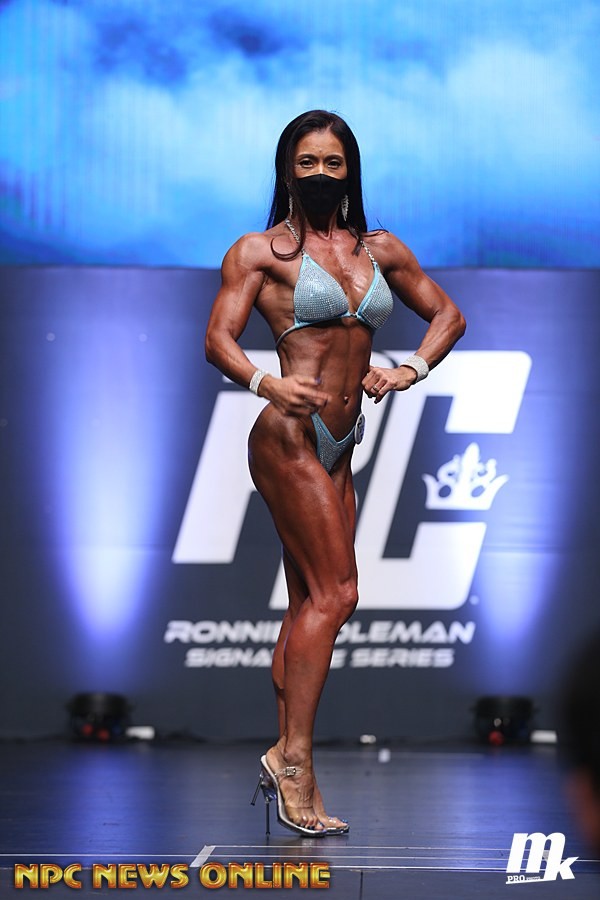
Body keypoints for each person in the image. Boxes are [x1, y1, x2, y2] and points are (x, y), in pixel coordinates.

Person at [205, 110, 466, 836]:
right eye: (306, 162)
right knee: (339, 592)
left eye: (332, 162)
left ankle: (288, 755)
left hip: (341, 440)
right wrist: (266, 383)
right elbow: (218, 339)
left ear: (350, 169)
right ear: (286, 170)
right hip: (288, 433)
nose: (320, 173)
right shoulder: (260, 252)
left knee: (308, 605)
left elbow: (448, 316)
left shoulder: (379, 249)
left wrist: (411, 369)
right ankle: (294, 760)